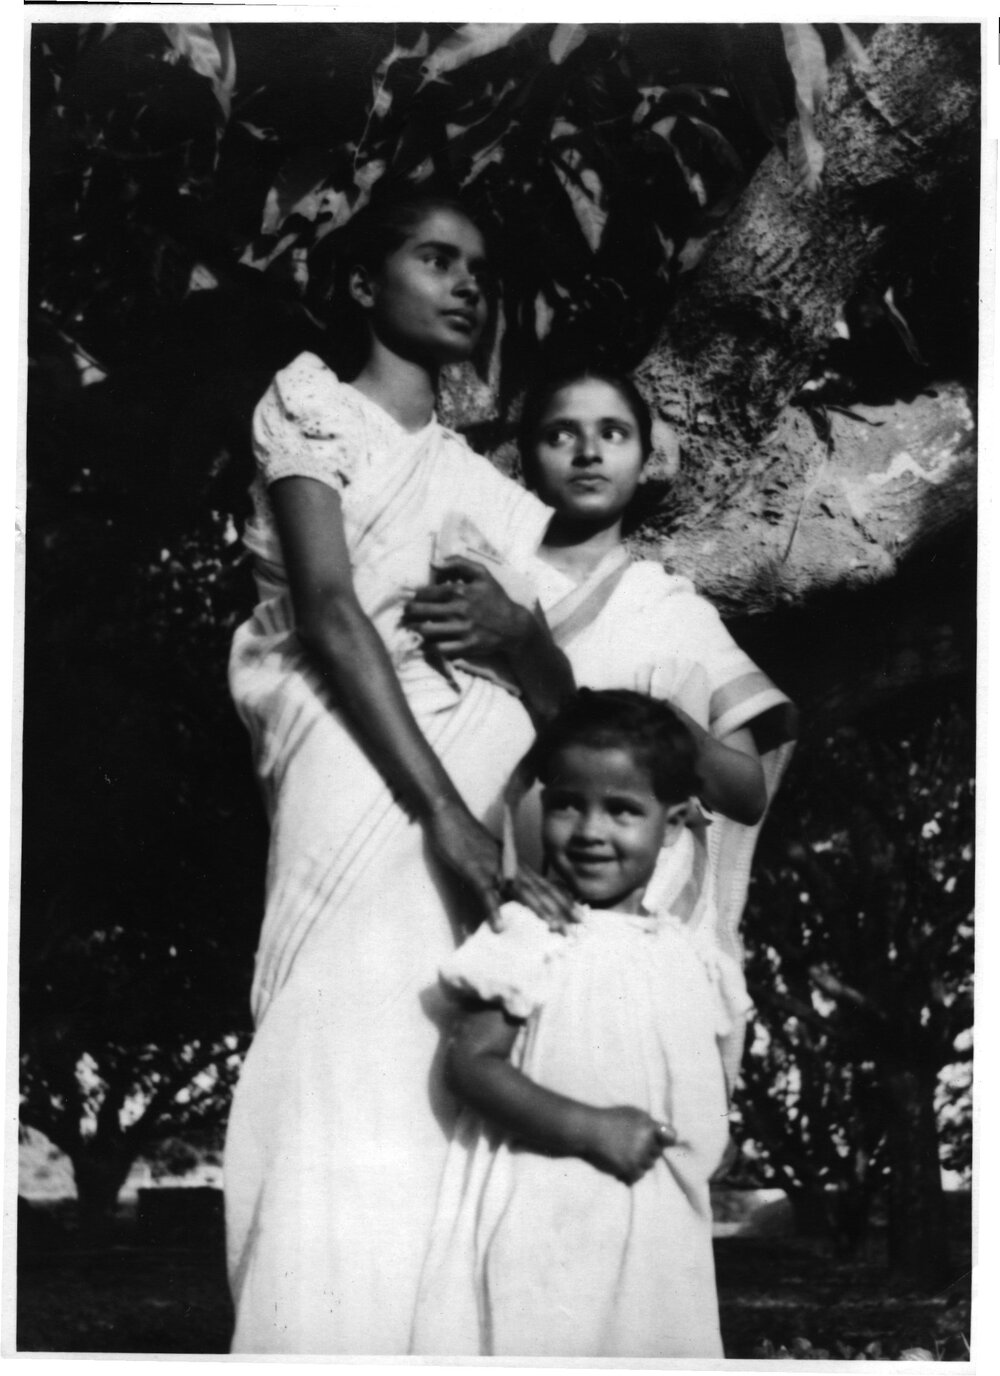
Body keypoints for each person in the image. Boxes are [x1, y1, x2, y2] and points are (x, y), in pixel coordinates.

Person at [223, 190, 574, 1355]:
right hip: (364, 777)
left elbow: (566, 711)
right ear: (368, 282)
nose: (468, 282)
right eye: (437, 258)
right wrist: (442, 817)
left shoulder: (496, 493)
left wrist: (521, 639)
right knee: (336, 1050)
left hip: (475, 794)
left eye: (480, 264)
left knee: (433, 1070)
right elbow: (328, 610)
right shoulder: (310, 406)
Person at [407, 363, 798, 1088]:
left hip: (628, 920)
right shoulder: (479, 576)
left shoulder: (675, 612)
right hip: (486, 892)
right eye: (562, 435)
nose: (588, 453)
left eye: (612, 434)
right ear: (524, 456)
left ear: (646, 458)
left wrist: (660, 723)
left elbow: (745, 791)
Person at [410, 690, 733, 1357]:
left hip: (651, 1222)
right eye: (567, 805)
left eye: (621, 811)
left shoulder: (685, 952)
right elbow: (472, 1063)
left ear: (672, 824)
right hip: (545, 1202)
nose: (589, 832)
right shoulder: (534, 929)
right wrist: (591, 1129)